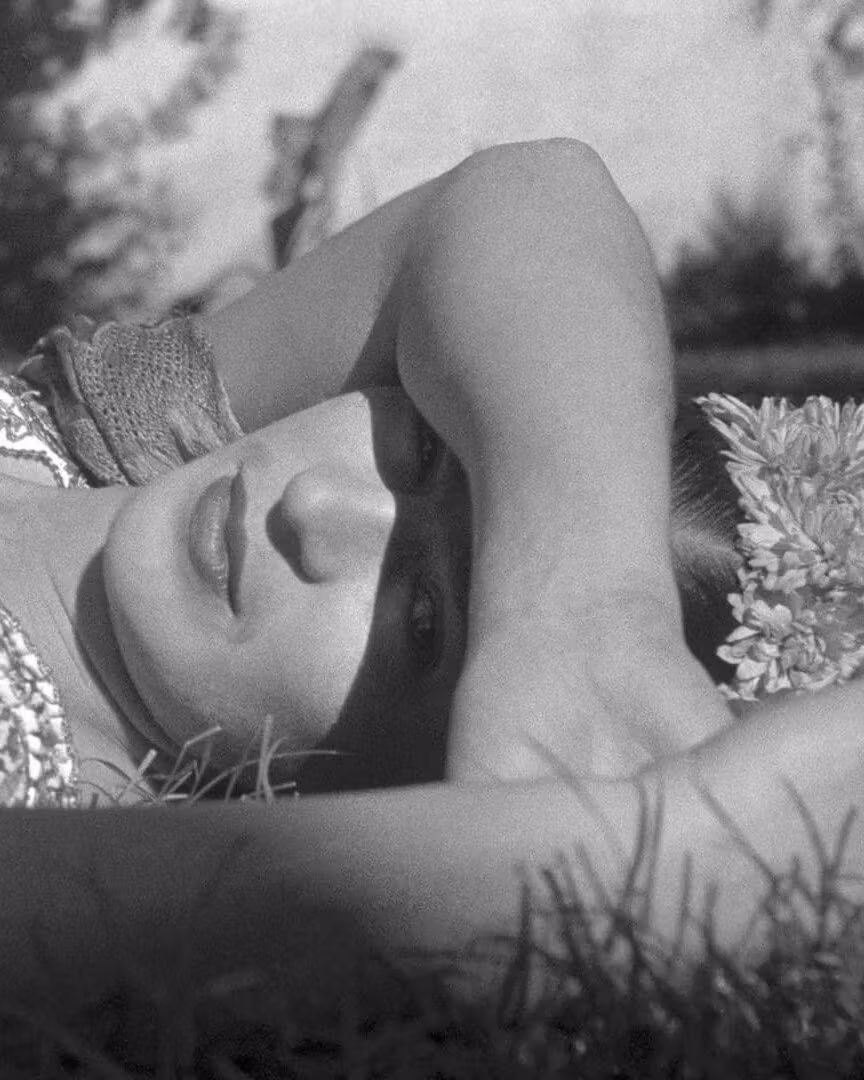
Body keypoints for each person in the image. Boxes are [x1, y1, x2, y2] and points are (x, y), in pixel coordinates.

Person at [1, 138, 862, 1011]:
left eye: (422, 621)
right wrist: (575, 606)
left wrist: (620, 866)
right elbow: (531, 194)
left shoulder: (61, 842)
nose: (314, 513)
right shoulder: (110, 425)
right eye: (420, 446)